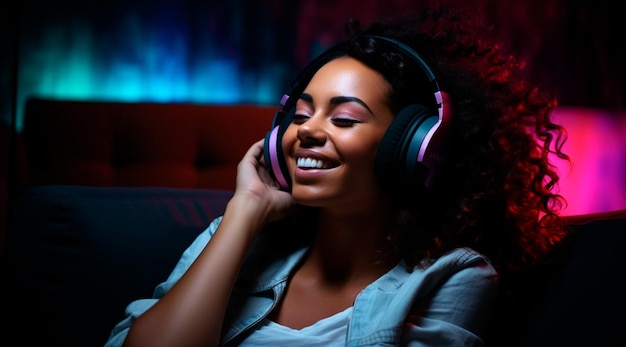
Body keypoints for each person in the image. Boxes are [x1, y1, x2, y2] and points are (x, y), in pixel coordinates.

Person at [105, 5, 569, 347]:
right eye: (301, 114)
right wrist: (245, 211)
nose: (307, 130)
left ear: (413, 147)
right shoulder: (234, 237)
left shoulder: (455, 275)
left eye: (344, 119)